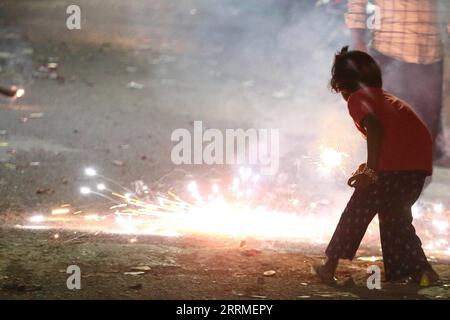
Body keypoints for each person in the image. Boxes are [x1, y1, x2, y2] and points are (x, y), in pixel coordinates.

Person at [313, 47, 439, 285]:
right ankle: (421, 273)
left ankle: (329, 267)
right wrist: (372, 165)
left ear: (342, 84)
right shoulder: (384, 98)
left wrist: (371, 171)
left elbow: (376, 129)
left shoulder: (358, 98)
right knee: (396, 220)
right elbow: (392, 137)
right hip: (416, 167)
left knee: (356, 211)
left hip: (396, 168)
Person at [346, 0, 449, 163]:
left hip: (431, 56)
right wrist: (358, 40)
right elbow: (357, 3)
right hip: (388, 52)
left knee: (426, 128)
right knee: (384, 128)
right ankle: (374, 174)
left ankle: (416, 182)